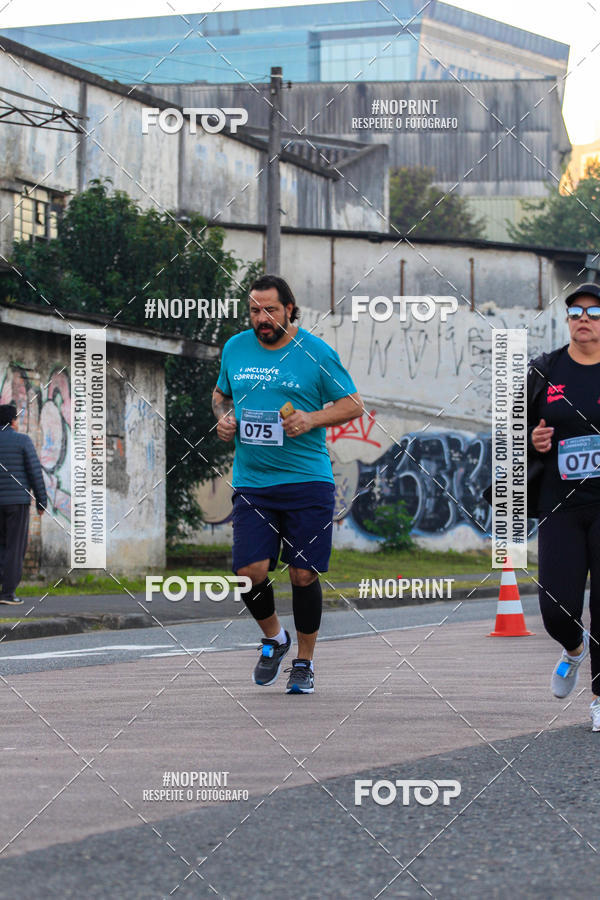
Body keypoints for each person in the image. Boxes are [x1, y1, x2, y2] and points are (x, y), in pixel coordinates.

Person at [212, 274, 363, 693]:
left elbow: (353, 404)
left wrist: (311, 419)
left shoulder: (314, 352)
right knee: (248, 572)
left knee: (302, 575)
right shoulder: (236, 347)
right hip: (253, 481)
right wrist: (222, 419)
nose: (262, 318)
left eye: (271, 310)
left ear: (290, 309)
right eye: (255, 310)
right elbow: (221, 395)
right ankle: (275, 638)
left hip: (306, 481)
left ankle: (305, 661)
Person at [528, 283, 600, 731]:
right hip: (561, 502)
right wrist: (534, 443)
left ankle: (599, 699)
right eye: (575, 312)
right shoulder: (545, 371)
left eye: (594, 312)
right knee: (557, 608)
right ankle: (573, 649)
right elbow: (516, 433)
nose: (584, 319)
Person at [0, 403, 47, 605]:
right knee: (14, 547)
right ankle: (8, 594)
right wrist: (41, 502)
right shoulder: (22, 441)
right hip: (17, 503)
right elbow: (35, 472)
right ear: (12, 421)